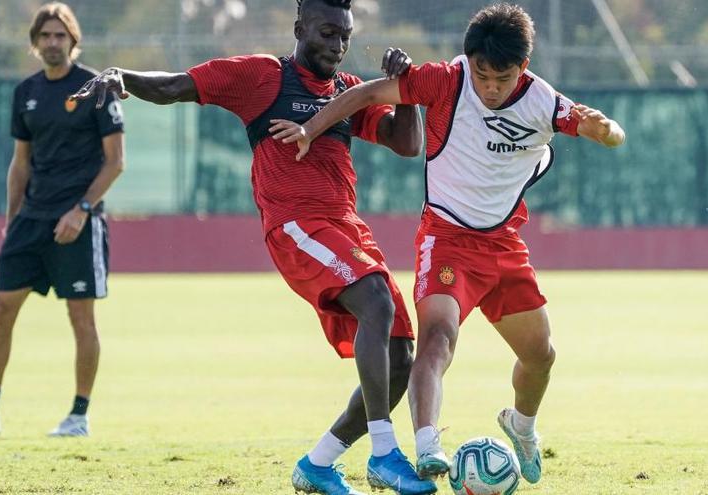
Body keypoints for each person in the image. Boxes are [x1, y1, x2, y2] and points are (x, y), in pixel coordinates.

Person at [70, 1, 436, 494]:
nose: (337, 44)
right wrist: (122, 77)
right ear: (299, 28)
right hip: (295, 227)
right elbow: (176, 86)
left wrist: (408, 92)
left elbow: (407, 144)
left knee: (401, 354)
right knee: (373, 299)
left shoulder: (348, 92)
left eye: (344, 36)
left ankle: (318, 464)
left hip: (347, 229)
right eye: (327, 33)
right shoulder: (261, 77)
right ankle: (385, 453)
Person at [270, 1, 626, 486]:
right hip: (446, 240)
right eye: (482, 74)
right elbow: (368, 94)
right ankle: (428, 446)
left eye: (501, 78)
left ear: (522, 68)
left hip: (503, 246)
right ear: (469, 62)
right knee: (436, 340)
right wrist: (311, 129)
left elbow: (610, 137)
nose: (490, 87)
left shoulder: (544, 101)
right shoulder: (446, 80)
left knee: (541, 356)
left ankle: (521, 428)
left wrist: (605, 128)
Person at [0, 2, 125, 439]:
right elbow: (20, 164)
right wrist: (12, 219)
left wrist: (81, 210)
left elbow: (115, 163)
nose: (53, 42)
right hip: (31, 220)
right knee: (0, 309)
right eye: (45, 36)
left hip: (78, 221)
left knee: (81, 319)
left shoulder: (96, 88)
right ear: (35, 43)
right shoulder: (25, 91)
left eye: (60, 35)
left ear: (73, 40)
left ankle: (78, 415)